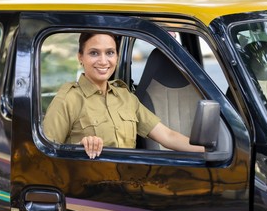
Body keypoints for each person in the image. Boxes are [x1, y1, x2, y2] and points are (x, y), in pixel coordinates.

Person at [43, 32, 204, 159]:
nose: (103, 61)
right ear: (80, 57)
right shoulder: (68, 99)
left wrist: (213, 150)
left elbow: (168, 136)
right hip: (88, 194)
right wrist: (77, 147)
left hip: (128, 187)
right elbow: (45, 152)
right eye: (94, 53)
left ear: (117, 57)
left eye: (110, 53)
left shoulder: (126, 97)